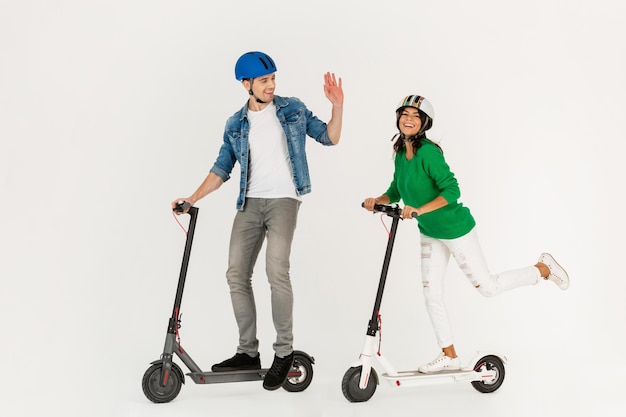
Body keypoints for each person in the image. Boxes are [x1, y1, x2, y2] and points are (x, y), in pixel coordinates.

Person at [172, 51, 344, 390]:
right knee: (236, 273)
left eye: (273, 79)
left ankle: (283, 352)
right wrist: (191, 198)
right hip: (249, 203)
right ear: (246, 84)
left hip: (283, 200)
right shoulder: (235, 124)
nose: (271, 85)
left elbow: (330, 137)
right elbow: (221, 169)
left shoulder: (292, 108)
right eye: (264, 80)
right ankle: (248, 352)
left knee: (276, 271)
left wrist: (337, 106)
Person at [363, 95, 569, 374]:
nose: (408, 119)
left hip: (455, 229)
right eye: (404, 114)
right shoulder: (401, 153)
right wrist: (377, 200)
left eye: (415, 116)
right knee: (431, 294)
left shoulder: (428, 153)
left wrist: (420, 209)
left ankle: (542, 269)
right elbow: (396, 189)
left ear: (423, 123)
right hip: (430, 232)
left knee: (488, 287)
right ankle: (449, 354)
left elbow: (452, 190)